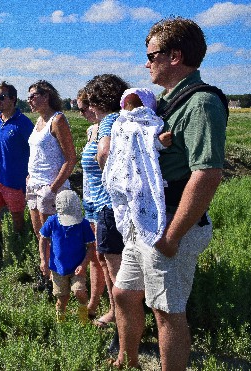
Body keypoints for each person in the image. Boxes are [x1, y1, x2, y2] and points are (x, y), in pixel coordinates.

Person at [111, 17, 227, 370]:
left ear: (175, 56)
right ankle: (126, 361)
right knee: (123, 293)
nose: (146, 63)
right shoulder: (162, 103)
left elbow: (207, 173)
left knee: (166, 310)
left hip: (171, 223)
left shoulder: (201, 103)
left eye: (152, 55)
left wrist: (173, 236)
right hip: (146, 221)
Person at [82, 74, 129, 335]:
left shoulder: (110, 120)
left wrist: (108, 177)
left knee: (116, 269)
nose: (88, 107)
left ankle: (125, 327)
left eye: (90, 101)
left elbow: (106, 151)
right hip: (105, 206)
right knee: (107, 261)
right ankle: (117, 314)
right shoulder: (111, 120)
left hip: (110, 206)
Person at [103, 88, 171, 248]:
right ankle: (131, 238)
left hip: (137, 176)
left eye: (135, 103)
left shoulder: (147, 120)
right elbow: (116, 149)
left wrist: (158, 143)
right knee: (122, 210)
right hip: (120, 176)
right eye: (128, 103)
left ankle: (141, 234)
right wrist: (157, 143)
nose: (132, 109)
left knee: (138, 204)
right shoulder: (119, 123)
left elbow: (145, 144)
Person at [26, 80, 76, 292]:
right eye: (29, 97)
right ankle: (44, 277)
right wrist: (29, 177)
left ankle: (59, 285)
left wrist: (52, 188)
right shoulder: (38, 122)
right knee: (40, 236)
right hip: (34, 185)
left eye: (34, 96)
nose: (30, 100)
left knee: (54, 237)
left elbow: (71, 159)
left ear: (46, 96)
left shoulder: (58, 120)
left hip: (50, 187)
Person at [0, 81, 34, 264]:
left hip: (15, 179)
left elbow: (35, 149)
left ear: (13, 99)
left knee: (17, 215)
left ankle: (20, 248)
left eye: (1, 97)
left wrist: (29, 174)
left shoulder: (24, 123)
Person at [38, 190, 95, 323]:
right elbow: (43, 239)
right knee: (62, 298)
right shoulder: (52, 221)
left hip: (77, 268)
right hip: (58, 269)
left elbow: (91, 247)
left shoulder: (83, 224)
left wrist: (83, 264)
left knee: (79, 292)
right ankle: (61, 324)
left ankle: (83, 321)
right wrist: (43, 261)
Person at [77, 88, 106, 320]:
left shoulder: (109, 130)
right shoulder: (90, 131)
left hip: (105, 202)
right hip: (90, 201)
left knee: (102, 257)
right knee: (96, 256)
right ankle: (96, 303)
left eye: (84, 108)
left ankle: (101, 306)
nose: (82, 113)